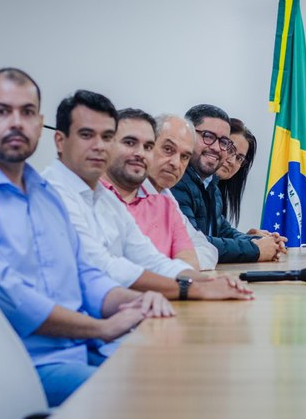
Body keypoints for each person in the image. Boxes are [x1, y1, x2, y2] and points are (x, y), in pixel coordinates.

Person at [0, 69, 175, 406]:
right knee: (145, 397)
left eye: (27, 113)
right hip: (24, 368)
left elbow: (83, 273)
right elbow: (11, 297)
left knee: (176, 373)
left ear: (39, 123)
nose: (16, 122)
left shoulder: (45, 194)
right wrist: (101, 328)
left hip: (82, 350)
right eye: (2, 111)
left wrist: (130, 301)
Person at [44, 91, 252, 301]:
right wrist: (191, 289)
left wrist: (207, 282)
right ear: (60, 141)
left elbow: (150, 259)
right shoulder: (52, 193)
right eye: (87, 135)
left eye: (147, 146)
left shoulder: (103, 197)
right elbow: (105, 266)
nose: (100, 146)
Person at [172, 104, 286, 263]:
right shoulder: (175, 180)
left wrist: (255, 240)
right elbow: (192, 244)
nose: (217, 148)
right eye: (208, 136)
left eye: (223, 142)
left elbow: (223, 231)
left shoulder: (210, 185)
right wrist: (255, 249)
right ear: (187, 135)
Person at [102, 109, 199, 269]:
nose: (140, 153)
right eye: (129, 143)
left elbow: (189, 263)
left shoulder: (165, 204)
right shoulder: (91, 194)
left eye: (147, 147)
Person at [144, 113, 219, 270]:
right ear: (148, 146)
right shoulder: (128, 193)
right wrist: (178, 262)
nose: (176, 163)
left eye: (185, 156)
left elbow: (208, 249)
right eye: (168, 149)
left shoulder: (166, 197)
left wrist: (180, 263)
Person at [217, 117, 257, 227]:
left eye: (239, 158)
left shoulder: (216, 194)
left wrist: (250, 239)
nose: (232, 161)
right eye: (229, 150)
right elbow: (196, 241)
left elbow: (217, 238)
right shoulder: (188, 185)